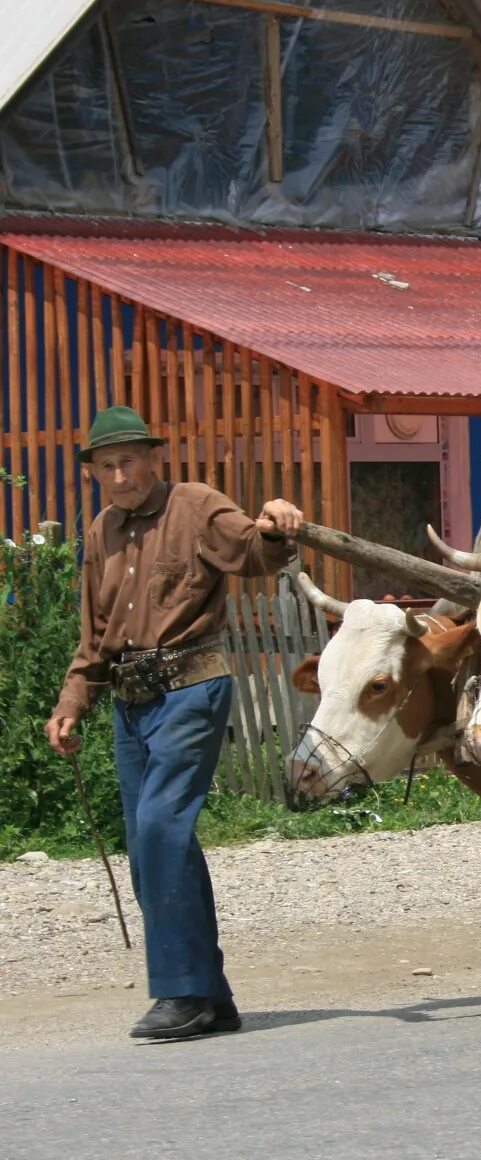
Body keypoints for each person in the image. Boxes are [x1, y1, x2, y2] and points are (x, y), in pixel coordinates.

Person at [43, 407, 304, 1040]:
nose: (119, 473)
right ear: (97, 473)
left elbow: (253, 551)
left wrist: (276, 522)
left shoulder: (193, 506)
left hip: (191, 688)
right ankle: (211, 997)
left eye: (128, 459)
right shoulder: (102, 531)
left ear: (151, 459)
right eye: (106, 465)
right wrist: (71, 703)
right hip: (129, 704)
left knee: (161, 828)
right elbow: (94, 636)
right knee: (151, 848)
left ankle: (181, 993)